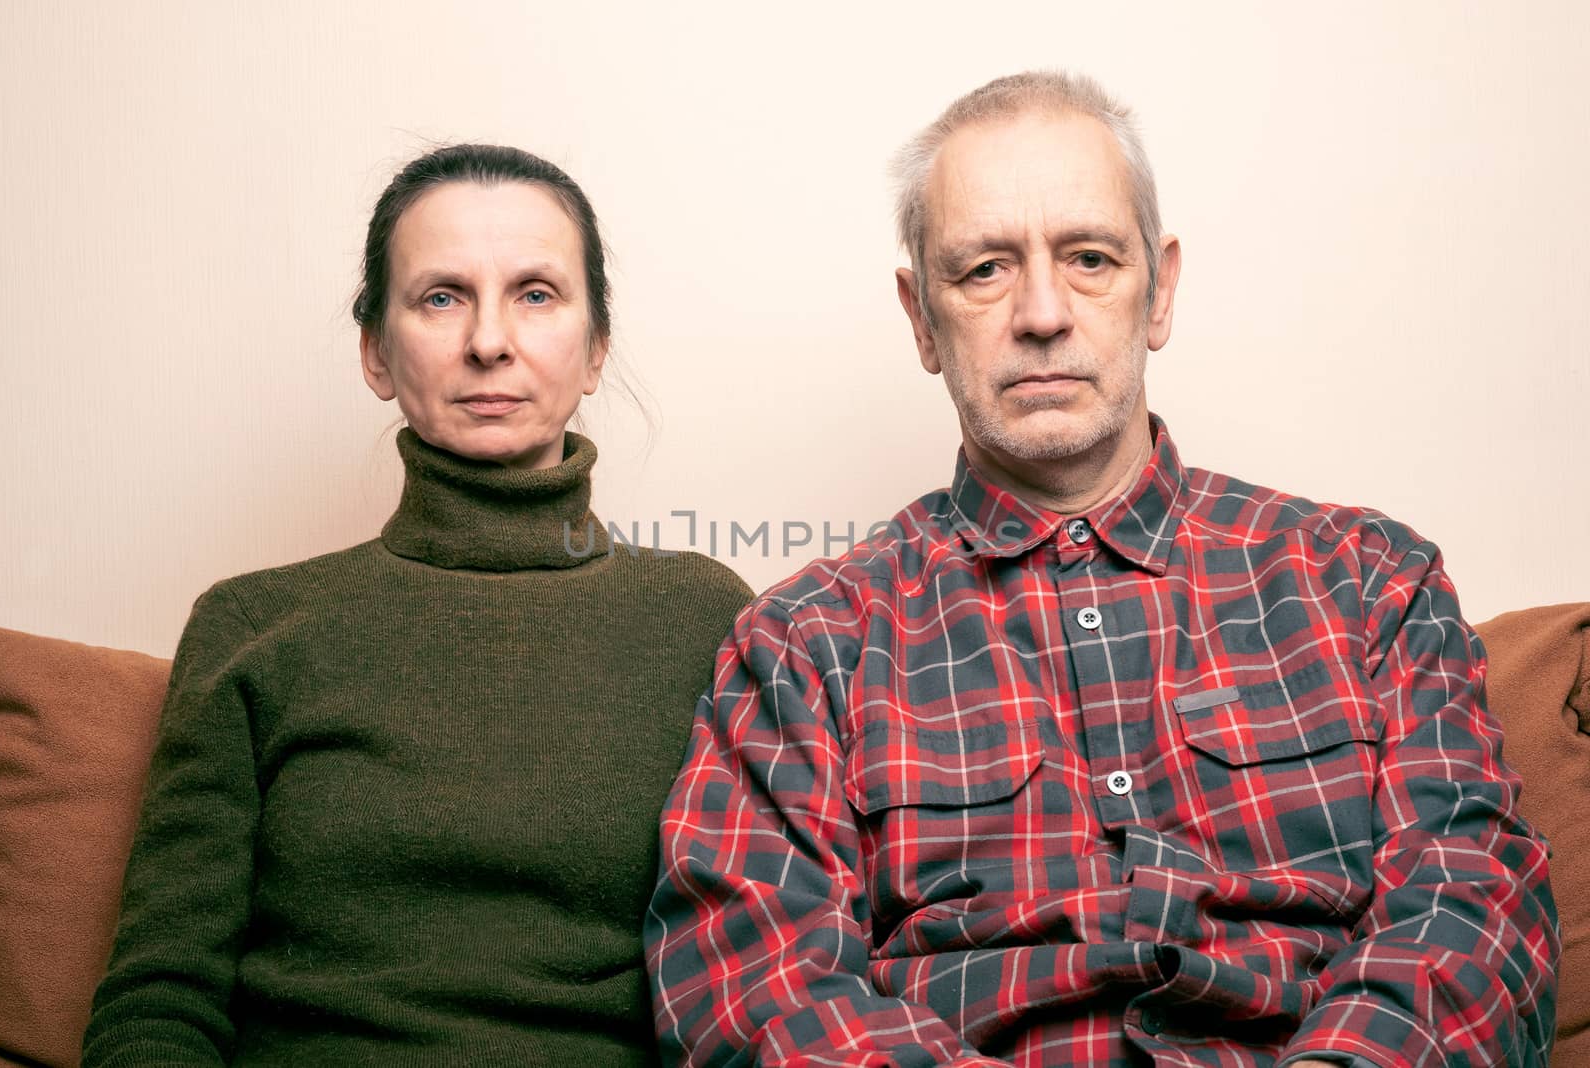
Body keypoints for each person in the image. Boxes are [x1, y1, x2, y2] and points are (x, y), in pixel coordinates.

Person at [645, 72, 1558, 1067]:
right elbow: (753, 982)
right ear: (920, 317)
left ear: (1159, 289)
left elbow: (1473, 918)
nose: (1042, 312)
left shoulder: (1370, 583)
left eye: (1088, 258)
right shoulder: (807, 643)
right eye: (984, 269)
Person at [83, 144, 752, 1065]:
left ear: (596, 350)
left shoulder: (703, 620)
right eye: (441, 296)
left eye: (536, 294)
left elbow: (759, 973)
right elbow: (161, 1001)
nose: (489, 341)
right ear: (375, 352)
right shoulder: (253, 630)